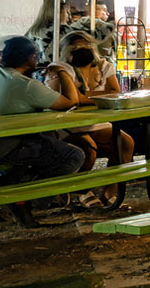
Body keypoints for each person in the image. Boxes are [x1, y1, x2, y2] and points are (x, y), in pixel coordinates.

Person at [0, 37, 82, 221]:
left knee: (30, 147)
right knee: (73, 155)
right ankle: (26, 201)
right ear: (31, 58)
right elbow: (71, 102)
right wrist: (62, 71)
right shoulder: (26, 85)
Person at [42, 32, 135, 207]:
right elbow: (73, 99)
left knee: (125, 143)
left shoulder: (103, 66)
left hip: (96, 122)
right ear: (66, 51)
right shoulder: (61, 68)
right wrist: (99, 96)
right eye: (76, 47)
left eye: (86, 46)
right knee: (88, 148)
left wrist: (85, 95)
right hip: (67, 123)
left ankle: (109, 193)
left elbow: (115, 93)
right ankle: (81, 192)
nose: (82, 49)